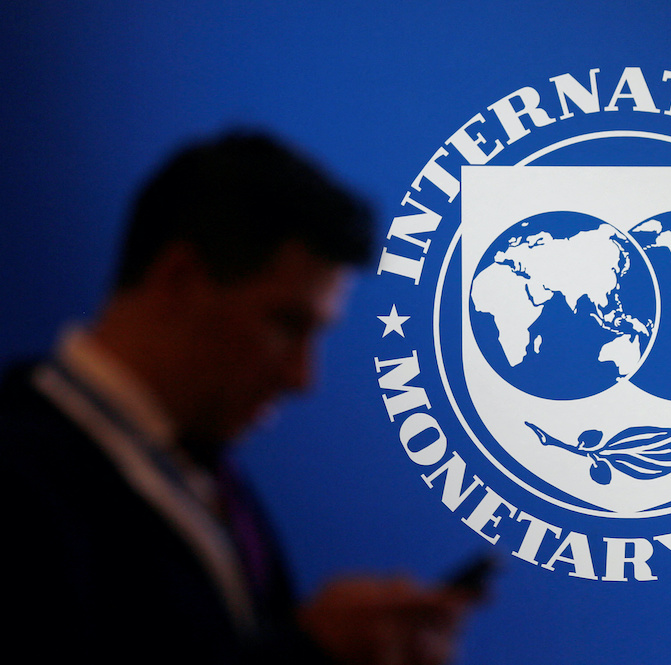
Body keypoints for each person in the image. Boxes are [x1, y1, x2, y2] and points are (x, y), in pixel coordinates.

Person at [0, 131, 472, 663]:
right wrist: (310, 650)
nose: (303, 377)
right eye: (285, 323)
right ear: (178, 278)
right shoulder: (18, 472)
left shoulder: (199, 467)